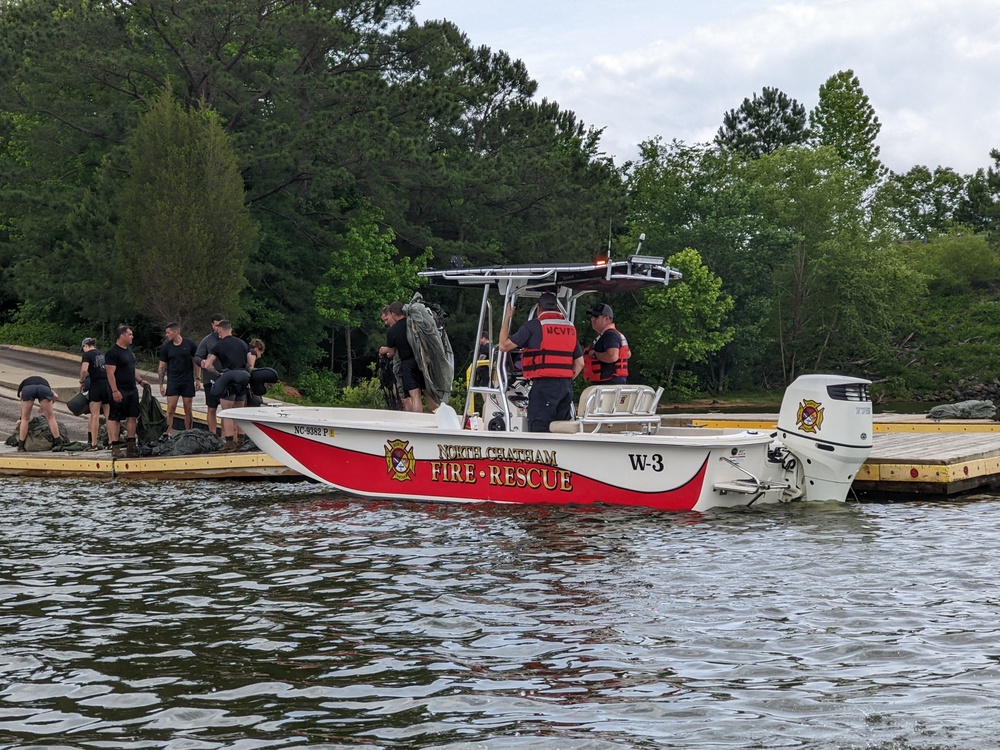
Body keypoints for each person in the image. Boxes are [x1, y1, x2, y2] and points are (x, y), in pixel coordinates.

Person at [499, 291, 584, 432]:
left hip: (544, 387)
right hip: (565, 388)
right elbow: (580, 363)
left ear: (539, 309)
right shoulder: (570, 327)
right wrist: (564, 379)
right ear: (556, 308)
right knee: (561, 430)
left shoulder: (533, 326)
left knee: (539, 429)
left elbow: (503, 345)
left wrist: (507, 317)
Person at [202, 321, 257, 451]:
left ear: (220, 331)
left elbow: (207, 365)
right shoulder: (243, 343)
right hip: (242, 379)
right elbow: (250, 363)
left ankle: (229, 443)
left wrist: (219, 374)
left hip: (228, 380)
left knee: (227, 412)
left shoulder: (218, 345)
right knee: (239, 412)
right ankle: (241, 442)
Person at [379, 301, 438, 413]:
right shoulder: (413, 323)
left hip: (407, 363)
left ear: (393, 314)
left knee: (415, 396)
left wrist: (384, 350)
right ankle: (438, 417)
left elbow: (391, 352)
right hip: (421, 361)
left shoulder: (392, 331)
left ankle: (417, 422)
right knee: (428, 394)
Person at [104, 324, 150, 458]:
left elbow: (131, 369)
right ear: (122, 335)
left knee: (132, 417)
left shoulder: (129, 351)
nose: (132, 337)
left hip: (131, 389)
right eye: (129, 334)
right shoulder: (112, 353)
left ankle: (131, 445)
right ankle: (115, 446)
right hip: (119, 389)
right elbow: (110, 373)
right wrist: (114, 391)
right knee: (115, 418)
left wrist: (140, 381)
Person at [158, 322, 201, 433]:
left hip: (187, 380)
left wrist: (198, 378)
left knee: (188, 408)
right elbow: (162, 366)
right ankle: (166, 433)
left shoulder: (189, 344)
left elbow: (197, 361)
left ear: (176, 332)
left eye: (168, 332)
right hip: (173, 381)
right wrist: (161, 384)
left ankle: (189, 432)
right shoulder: (166, 348)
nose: (166, 335)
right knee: (171, 408)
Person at [15, 376, 66, 451]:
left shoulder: (23, 386)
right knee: (51, 417)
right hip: (44, 389)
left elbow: (22, 398)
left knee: (25, 419)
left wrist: (21, 417)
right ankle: (58, 443)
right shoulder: (45, 383)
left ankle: (21, 446)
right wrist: (46, 406)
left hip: (28, 390)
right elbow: (55, 396)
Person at [584, 303, 630, 385]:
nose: (592, 319)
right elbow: (628, 354)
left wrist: (595, 354)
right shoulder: (617, 334)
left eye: (596, 316)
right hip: (616, 382)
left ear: (606, 319)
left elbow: (612, 356)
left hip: (609, 384)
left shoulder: (609, 335)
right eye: (592, 316)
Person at [194, 314, 224, 436]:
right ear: (212, 325)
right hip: (210, 379)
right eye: (216, 325)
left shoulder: (228, 339)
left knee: (226, 409)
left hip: (226, 379)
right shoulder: (207, 340)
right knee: (212, 408)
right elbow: (197, 356)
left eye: (220, 325)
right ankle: (212, 435)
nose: (218, 328)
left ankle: (225, 436)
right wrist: (201, 362)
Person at [79, 337, 110, 450]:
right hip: (106, 384)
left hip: (96, 385)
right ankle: (111, 442)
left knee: (95, 415)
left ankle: (94, 444)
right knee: (108, 415)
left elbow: (84, 370)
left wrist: (82, 381)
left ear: (85, 346)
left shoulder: (87, 355)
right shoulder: (101, 354)